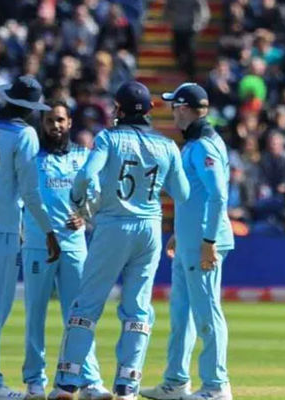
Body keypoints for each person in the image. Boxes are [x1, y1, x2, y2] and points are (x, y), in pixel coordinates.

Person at [51, 81, 189, 400]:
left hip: (113, 226)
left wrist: (77, 200)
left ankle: (68, 381)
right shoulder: (167, 146)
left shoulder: (109, 139)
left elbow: (86, 176)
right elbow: (182, 194)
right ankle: (128, 385)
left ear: (119, 110)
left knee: (87, 304)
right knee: (138, 308)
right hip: (150, 229)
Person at [0, 75, 61, 400]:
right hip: (1, 225)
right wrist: (48, 230)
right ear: (30, 108)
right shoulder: (25, 133)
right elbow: (31, 191)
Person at [141, 83, 234, 400]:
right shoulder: (196, 143)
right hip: (190, 241)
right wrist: (182, 233)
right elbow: (195, 196)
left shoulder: (205, 146)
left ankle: (215, 386)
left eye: (173, 106)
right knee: (181, 313)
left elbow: (219, 195)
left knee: (207, 312)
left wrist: (207, 240)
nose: (171, 112)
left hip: (204, 244)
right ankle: (176, 381)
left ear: (182, 108)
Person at [22, 100, 111, 400]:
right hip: (38, 246)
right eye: (49, 121)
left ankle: (89, 381)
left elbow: (98, 195)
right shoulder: (30, 159)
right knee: (35, 315)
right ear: (42, 124)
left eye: (60, 120)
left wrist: (85, 215)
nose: (55, 126)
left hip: (74, 247)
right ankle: (35, 381)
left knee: (80, 316)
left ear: (69, 122)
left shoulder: (84, 157)